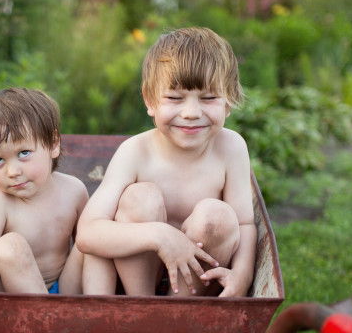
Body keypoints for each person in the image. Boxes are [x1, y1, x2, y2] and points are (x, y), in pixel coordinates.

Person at [76, 27, 256, 297]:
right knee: (140, 197)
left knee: (217, 216)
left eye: (208, 98)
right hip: (137, 277)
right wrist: (159, 235)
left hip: (195, 283)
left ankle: (181, 312)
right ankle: (144, 307)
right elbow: (87, 233)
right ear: (150, 99)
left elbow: (244, 224)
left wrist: (242, 275)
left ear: (228, 102)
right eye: (174, 98)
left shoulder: (231, 149)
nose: (191, 113)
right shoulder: (135, 152)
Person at [0, 87, 88, 294]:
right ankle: (46, 320)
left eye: (23, 153)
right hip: (17, 297)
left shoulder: (73, 190)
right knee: (9, 247)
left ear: (53, 144)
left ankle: (96, 308)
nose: (12, 172)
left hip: (67, 287)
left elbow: (83, 247)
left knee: (92, 239)